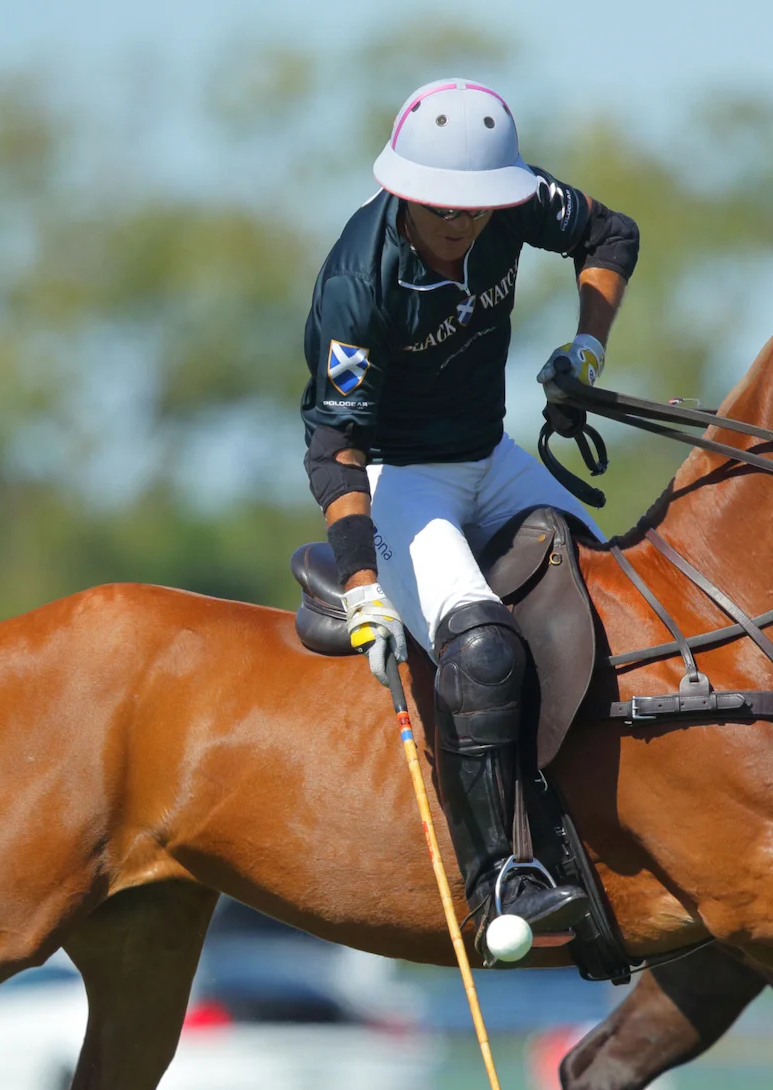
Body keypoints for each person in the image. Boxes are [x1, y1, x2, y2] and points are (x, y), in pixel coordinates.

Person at [300, 79, 640, 934]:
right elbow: (333, 444)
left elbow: (610, 232)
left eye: (476, 206)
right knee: (481, 648)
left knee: (623, 588)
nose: (462, 221)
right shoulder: (355, 279)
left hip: (493, 456)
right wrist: (363, 581)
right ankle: (501, 878)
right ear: (405, 188)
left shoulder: (514, 205)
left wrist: (585, 354)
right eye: (443, 205)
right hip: (401, 480)